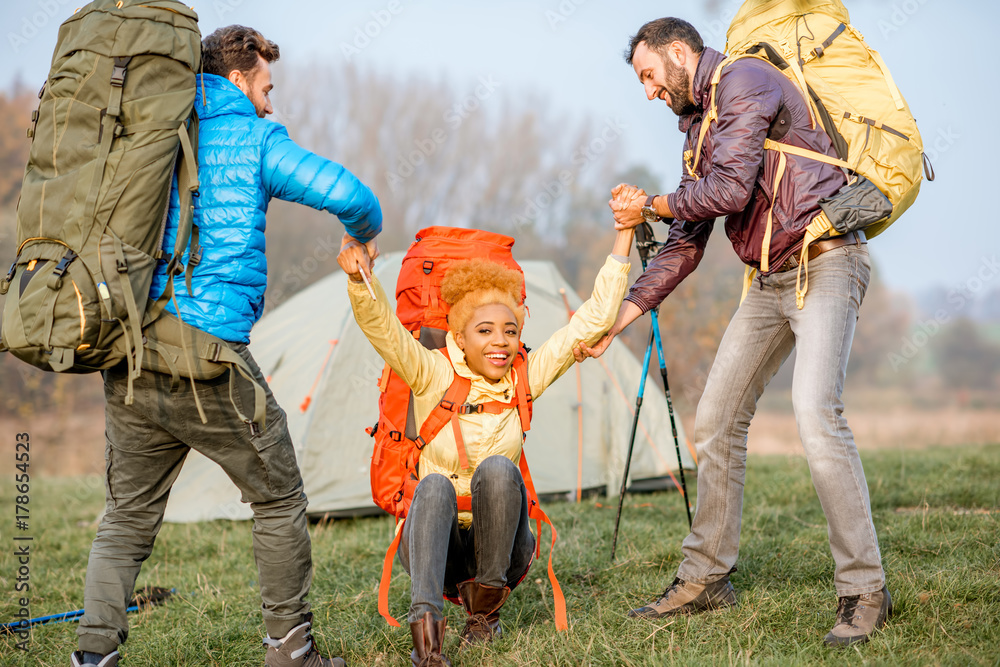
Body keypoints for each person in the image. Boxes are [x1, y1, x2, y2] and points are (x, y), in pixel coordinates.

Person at [573, 17, 890, 648]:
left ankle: (865, 590)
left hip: (827, 263)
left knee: (815, 413)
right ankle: (706, 578)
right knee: (715, 419)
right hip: (768, 282)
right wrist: (619, 322)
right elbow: (684, 245)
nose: (647, 91)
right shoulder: (696, 132)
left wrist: (650, 207)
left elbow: (728, 188)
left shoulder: (746, 80)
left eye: (648, 75)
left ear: (680, 53)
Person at [73, 25, 382, 667]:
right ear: (240, 78)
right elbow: (350, 193)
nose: (272, 101)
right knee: (279, 499)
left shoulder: (154, 131)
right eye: (267, 86)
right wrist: (363, 233)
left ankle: (91, 656)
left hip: (130, 350)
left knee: (126, 517)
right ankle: (289, 653)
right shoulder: (253, 135)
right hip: (208, 353)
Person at [338, 228, 633, 665]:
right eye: (486, 330)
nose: (500, 341)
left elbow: (588, 322)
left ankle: (483, 618)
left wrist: (623, 238)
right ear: (459, 337)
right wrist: (361, 280)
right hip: (435, 549)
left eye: (510, 331)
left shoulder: (524, 376)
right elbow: (384, 329)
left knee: (498, 470)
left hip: (499, 554)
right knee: (434, 486)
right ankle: (427, 645)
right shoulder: (430, 371)